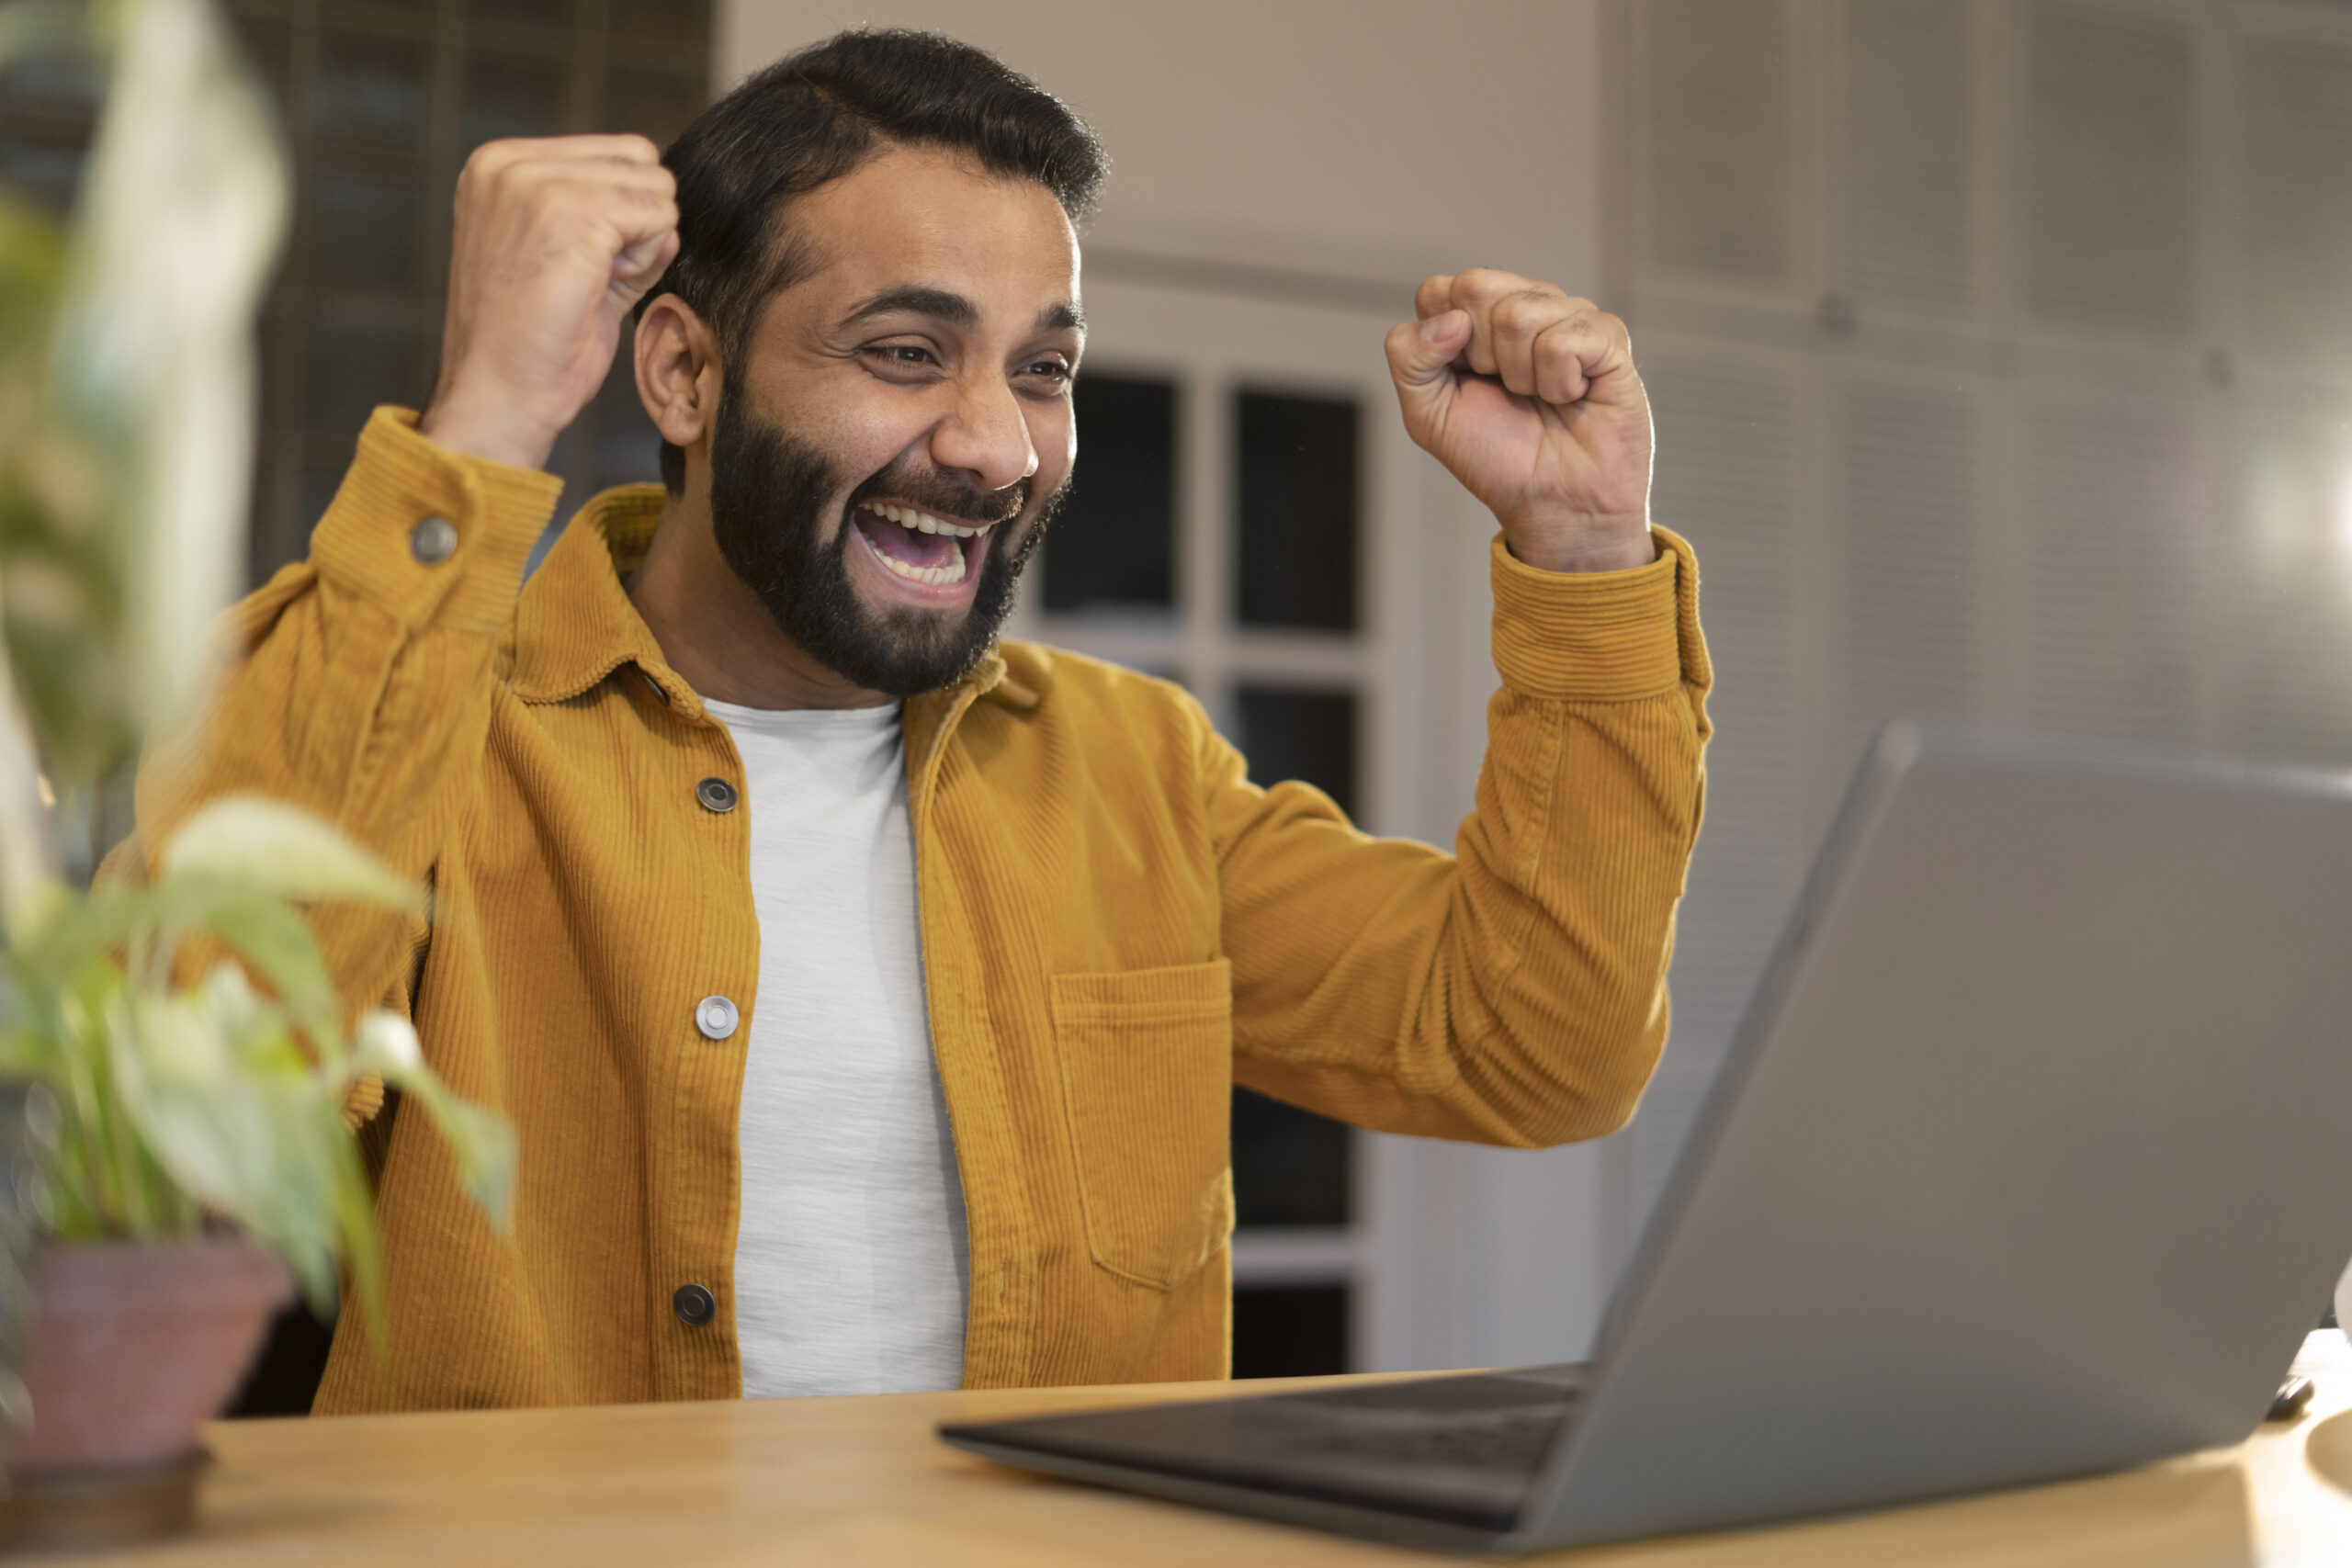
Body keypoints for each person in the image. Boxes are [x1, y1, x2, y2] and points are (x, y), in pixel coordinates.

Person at [117, 28, 1712, 1412]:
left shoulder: (1137, 774)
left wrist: (1584, 555)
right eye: (905, 353)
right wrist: (486, 421)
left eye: (1043, 370)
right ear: (681, 373)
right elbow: (191, 1101)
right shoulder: (422, 721)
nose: (995, 445)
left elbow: (1536, 1049)